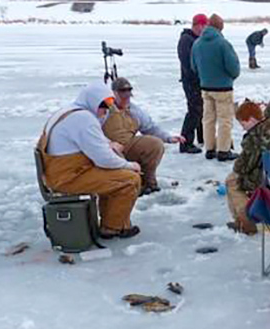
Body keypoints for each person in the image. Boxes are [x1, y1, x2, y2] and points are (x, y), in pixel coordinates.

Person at [39, 82, 141, 238]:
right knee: (129, 180)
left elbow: (93, 140)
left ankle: (111, 221)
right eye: (104, 105)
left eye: (110, 104)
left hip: (62, 173)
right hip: (68, 178)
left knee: (115, 175)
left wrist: (109, 144)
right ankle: (112, 227)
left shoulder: (71, 111)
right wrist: (129, 165)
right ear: (93, 101)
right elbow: (103, 160)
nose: (106, 110)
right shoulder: (84, 119)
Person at [102, 78, 183, 195]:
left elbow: (150, 128)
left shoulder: (134, 110)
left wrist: (168, 138)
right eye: (123, 95)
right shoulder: (104, 109)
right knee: (114, 153)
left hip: (128, 145)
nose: (126, 99)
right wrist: (107, 143)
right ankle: (125, 185)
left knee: (155, 144)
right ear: (114, 94)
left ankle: (148, 183)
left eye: (128, 96)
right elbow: (92, 130)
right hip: (107, 148)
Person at [225, 100, 270, 234]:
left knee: (232, 182)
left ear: (252, 120)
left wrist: (237, 167)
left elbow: (243, 167)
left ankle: (247, 224)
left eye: (243, 123)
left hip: (268, 178)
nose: (243, 128)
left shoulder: (255, 136)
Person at [191, 14, 240, 161]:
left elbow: (194, 67)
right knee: (225, 120)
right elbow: (234, 68)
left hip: (205, 88)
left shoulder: (197, 44)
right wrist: (229, 77)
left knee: (208, 119)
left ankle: (210, 148)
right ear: (220, 27)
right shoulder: (223, 44)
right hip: (223, 89)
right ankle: (223, 151)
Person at [176, 13, 206, 154]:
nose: (204, 29)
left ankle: (201, 138)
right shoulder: (186, 40)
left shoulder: (196, 39)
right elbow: (187, 63)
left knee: (200, 110)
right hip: (191, 82)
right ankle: (185, 143)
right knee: (194, 111)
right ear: (197, 25)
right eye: (203, 26)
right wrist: (195, 78)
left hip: (197, 81)